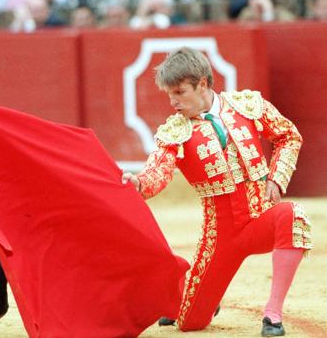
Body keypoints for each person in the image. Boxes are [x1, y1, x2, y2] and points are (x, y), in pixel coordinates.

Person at [122, 47, 311, 337]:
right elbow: (158, 172)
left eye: (179, 92)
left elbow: (288, 135)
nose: (173, 102)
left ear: (202, 84)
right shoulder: (174, 132)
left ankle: (272, 313)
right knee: (190, 324)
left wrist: (276, 178)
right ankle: (198, 299)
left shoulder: (247, 105)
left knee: (293, 214)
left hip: (261, 218)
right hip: (220, 236)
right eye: (169, 94)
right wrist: (139, 184)